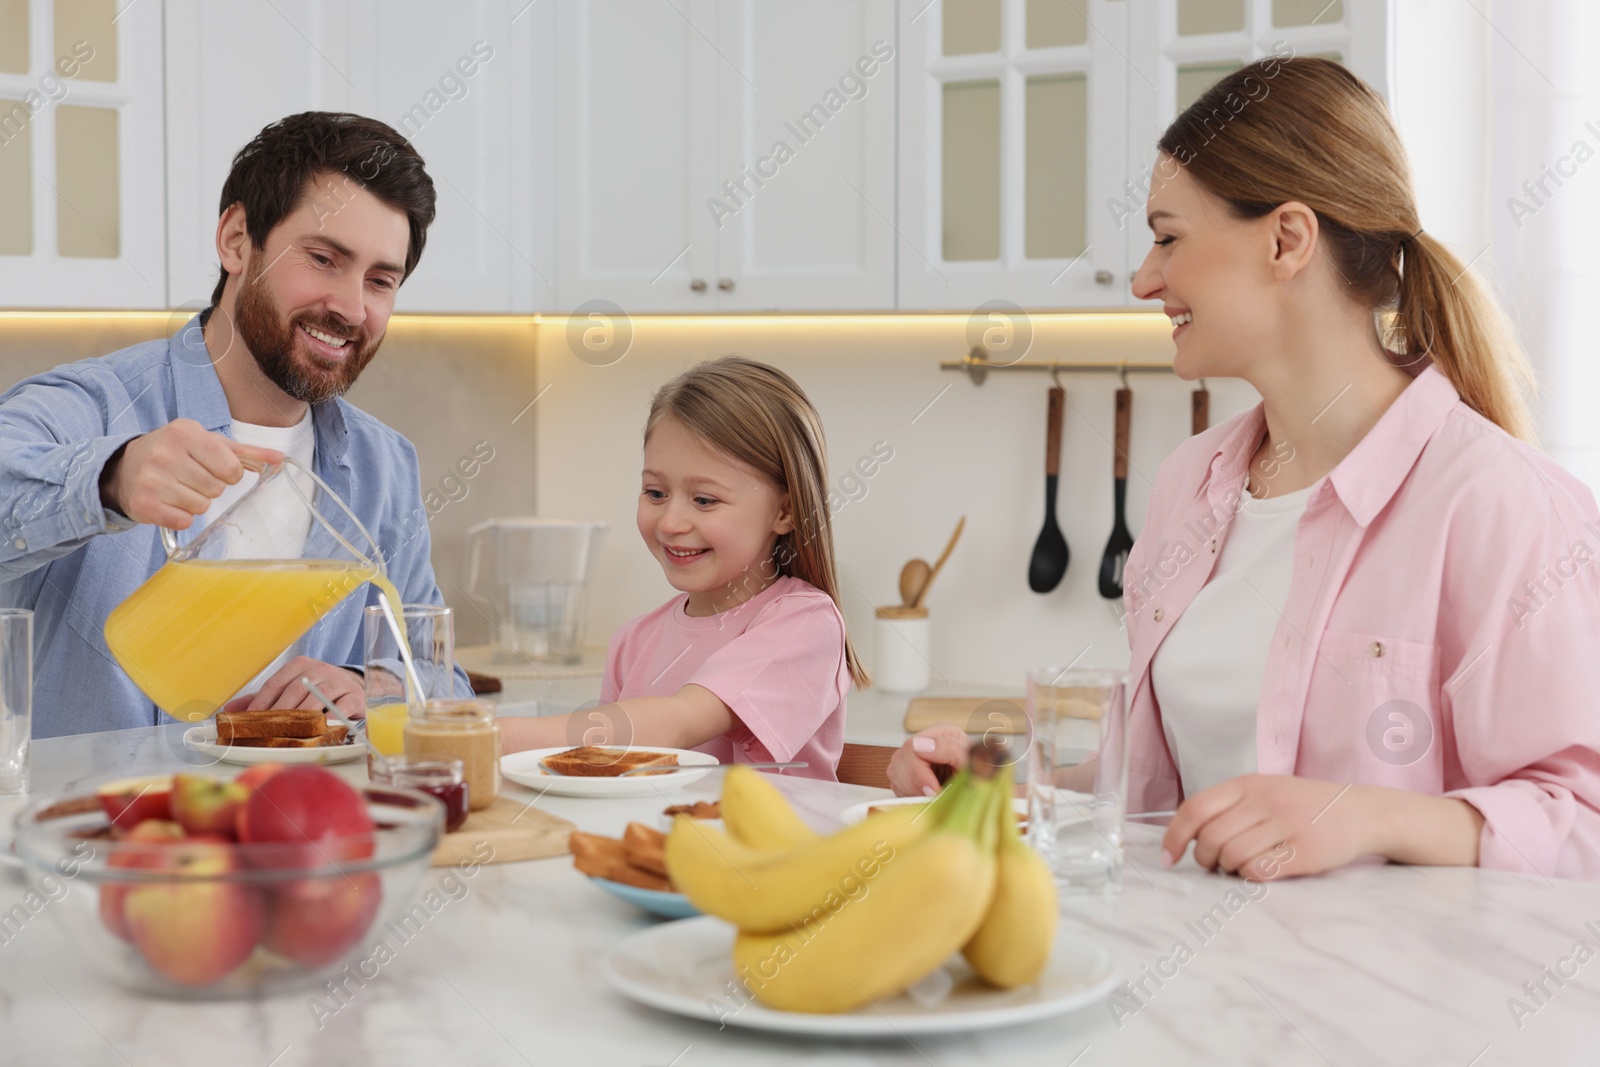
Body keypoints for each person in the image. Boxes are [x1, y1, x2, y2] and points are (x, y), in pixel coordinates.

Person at [888, 57, 1600, 880]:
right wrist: (990, 788)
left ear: (1287, 239)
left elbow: (1582, 823)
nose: (1144, 278)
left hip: (1396, 1004)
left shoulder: (1503, 505)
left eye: (1167, 236)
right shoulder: (1189, 484)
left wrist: (1363, 815)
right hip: (1198, 992)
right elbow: (1155, 798)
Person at [0, 112, 471, 737]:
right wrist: (109, 479)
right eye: (324, 258)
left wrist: (366, 684)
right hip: (91, 827)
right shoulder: (93, 407)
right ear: (236, 240)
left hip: (285, 824)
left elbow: (437, 673)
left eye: (380, 280)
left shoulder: (384, 466)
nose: (353, 307)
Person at [501, 357, 865, 781]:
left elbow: (679, 720)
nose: (671, 523)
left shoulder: (805, 624)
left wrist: (495, 737)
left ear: (784, 511)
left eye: (704, 500)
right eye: (655, 492)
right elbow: (605, 769)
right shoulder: (633, 642)